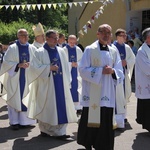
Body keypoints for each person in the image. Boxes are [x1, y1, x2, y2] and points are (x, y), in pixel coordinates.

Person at [77, 24, 124, 150]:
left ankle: (104, 146)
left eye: (108, 32)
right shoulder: (90, 49)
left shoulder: (114, 51)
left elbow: (120, 70)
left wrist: (113, 71)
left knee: (105, 120)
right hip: (93, 92)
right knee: (91, 119)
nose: (106, 34)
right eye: (103, 32)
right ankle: (88, 143)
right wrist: (100, 71)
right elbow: (82, 70)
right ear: (98, 34)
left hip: (107, 92)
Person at [24, 30, 78, 139]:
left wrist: (67, 81)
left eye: (57, 37)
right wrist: (48, 68)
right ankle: (45, 130)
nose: (56, 40)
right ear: (47, 39)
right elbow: (33, 68)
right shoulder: (39, 52)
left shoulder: (61, 51)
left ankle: (60, 132)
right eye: (53, 38)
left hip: (60, 84)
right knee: (46, 107)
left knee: (59, 107)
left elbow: (66, 67)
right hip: (46, 85)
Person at [0, 29, 37, 130]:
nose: (25, 37)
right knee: (14, 98)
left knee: (27, 97)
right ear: (18, 36)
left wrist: (30, 64)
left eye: (26, 35)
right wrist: (18, 65)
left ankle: (26, 121)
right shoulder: (12, 48)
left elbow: (37, 62)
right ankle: (15, 122)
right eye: (22, 35)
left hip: (28, 77)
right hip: (15, 78)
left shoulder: (32, 48)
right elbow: (6, 62)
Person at [113, 28, 135, 128]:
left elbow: (132, 58)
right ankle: (115, 117)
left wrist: (126, 62)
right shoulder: (113, 47)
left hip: (124, 74)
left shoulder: (127, 47)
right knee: (116, 97)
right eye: (123, 35)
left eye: (125, 35)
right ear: (117, 36)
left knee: (124, 95)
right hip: (115, 77)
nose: (125, 37)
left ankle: (123, 116)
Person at [63, 35, 83, 116]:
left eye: (73, 42)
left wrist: (77, 63)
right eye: (70, 42)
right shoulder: (64, 50)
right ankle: (68, 108)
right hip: (68, 73)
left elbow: (82, 61)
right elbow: (62, 62)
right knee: (68, 88)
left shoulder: (78, 49)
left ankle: (78, 108)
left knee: (77, 88)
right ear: (67, 41)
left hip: (77, 73)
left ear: (76, 41)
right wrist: (70, 64)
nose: (72, 43)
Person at [135, 27, 150, 132]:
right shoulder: (142, 51)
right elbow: (146, 68)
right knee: (147, 107)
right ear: (148, 38)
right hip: (146, 83)